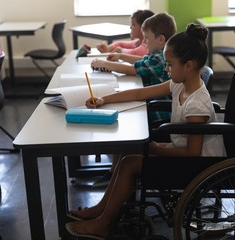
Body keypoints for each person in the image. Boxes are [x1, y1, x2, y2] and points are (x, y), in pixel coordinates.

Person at [66, 23, 226, 239]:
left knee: (130, 161)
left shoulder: (197, 104)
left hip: (199, 166)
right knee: (126, 155)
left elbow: (192, 154)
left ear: (188, 66)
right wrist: (104, 99)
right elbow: (140, 93)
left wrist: (155, 148)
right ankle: (102, 210)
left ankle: (103, 223)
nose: (165, 69)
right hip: (183, 153)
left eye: (169, 65)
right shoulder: (180, 84)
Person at [90, 12, 177, 188]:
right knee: (122, 116)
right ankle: (115, 172)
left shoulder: (160, 59)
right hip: (156, 110)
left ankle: (117, 175)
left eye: (146, 38)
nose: (144, 43)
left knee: (122, 125)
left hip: (161, 118)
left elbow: (134, 70)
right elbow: (141, 61)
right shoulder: (160, 55)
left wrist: (106, 64)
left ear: (161, 39)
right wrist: (120, 56)